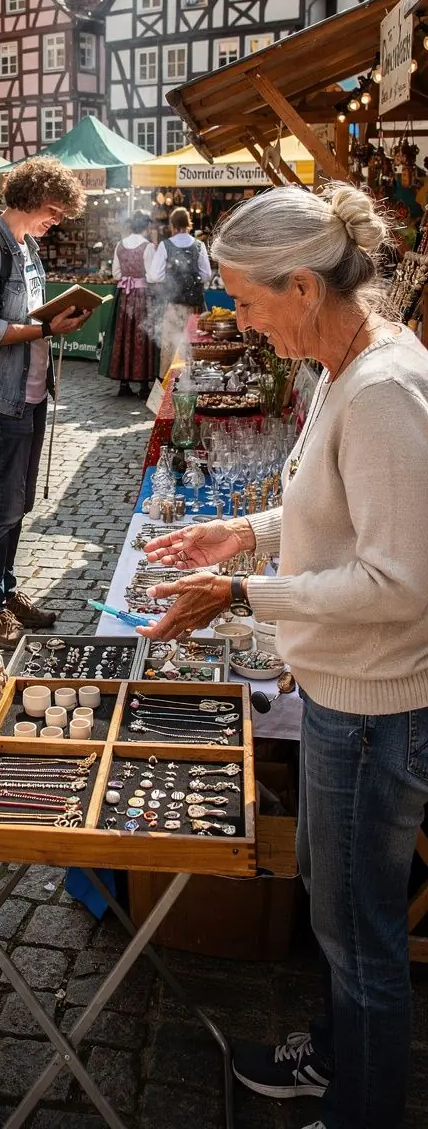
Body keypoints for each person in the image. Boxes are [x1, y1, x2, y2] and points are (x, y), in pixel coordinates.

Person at [140, 183, 428, 1129]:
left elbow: (401, 582)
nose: (244, 323)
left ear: (304, 287)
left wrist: (241, 594)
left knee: (362, 939)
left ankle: (362, 1107)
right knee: (336, 917)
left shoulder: (384, 390)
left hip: (379, 707)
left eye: (250, 303)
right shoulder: (350, 369)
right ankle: (339, 1053)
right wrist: (248, 536)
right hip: (349, 693)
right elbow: (330, 509)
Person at [0, 156, 91, 651]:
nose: (56, 222)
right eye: (54, 211)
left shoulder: (27, 246)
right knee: (2, 502)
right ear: (31, 199)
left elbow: (30, 316)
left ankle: (6, 590)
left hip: (30, 391)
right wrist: (44, 328)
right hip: (1, 394)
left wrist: (53, 321)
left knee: (21, 500)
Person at [152, 205, 212, 377]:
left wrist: (172, 279)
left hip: (173, 305)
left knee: (170, 348)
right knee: (192, 347)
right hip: (195, 307)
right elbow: (206, 275)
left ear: (172, 225)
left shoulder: (165, 245)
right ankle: (192, 383)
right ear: (188, 224)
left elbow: (155, 275)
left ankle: (167, 390)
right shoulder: (199, 245)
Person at [107, 210, 160, 398]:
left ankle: (124, 382)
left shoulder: (120, 245)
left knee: (124, 335)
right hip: (143, 295)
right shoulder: (148, 247)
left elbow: (116, 274)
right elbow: (152, 275)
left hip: (125, 295)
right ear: (147, 227)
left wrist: (128, 279)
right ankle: (144, 384)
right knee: (142, 336)